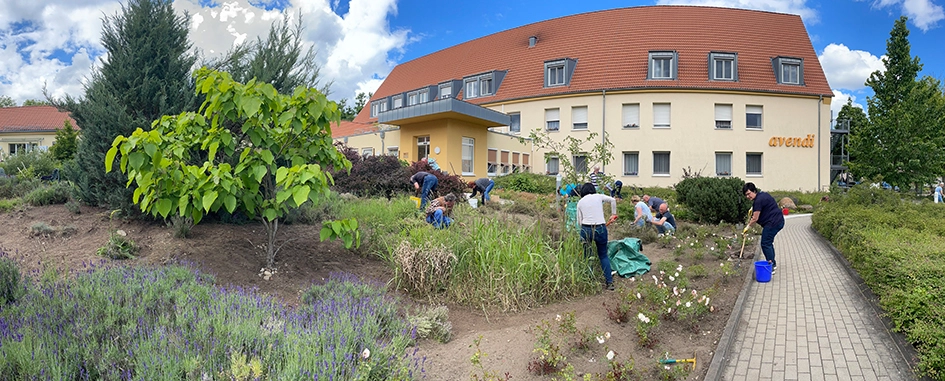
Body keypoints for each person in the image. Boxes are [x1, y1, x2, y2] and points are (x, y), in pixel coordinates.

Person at [576, 183, 618, 291]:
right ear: (593, 189)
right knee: (603, 255)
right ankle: (609, 283)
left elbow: (579, 222)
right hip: (600, 228)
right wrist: (613, 214)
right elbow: (613, 200)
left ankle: (590, 281)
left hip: (586, 229)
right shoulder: (599, 197)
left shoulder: (580, 202)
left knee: (588, 256)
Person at [743, 182, 785, 274]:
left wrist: (748, 227)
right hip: (778, 220)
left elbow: (755, 218)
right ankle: (772, 262)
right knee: (768, 242)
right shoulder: (762, 195)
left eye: (749, 194)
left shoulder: (758, 201)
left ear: (754, 191)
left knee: (765, 243)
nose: (747, 196)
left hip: (773, 223)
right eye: (746, 195)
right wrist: (753, 209)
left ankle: (771, 265)